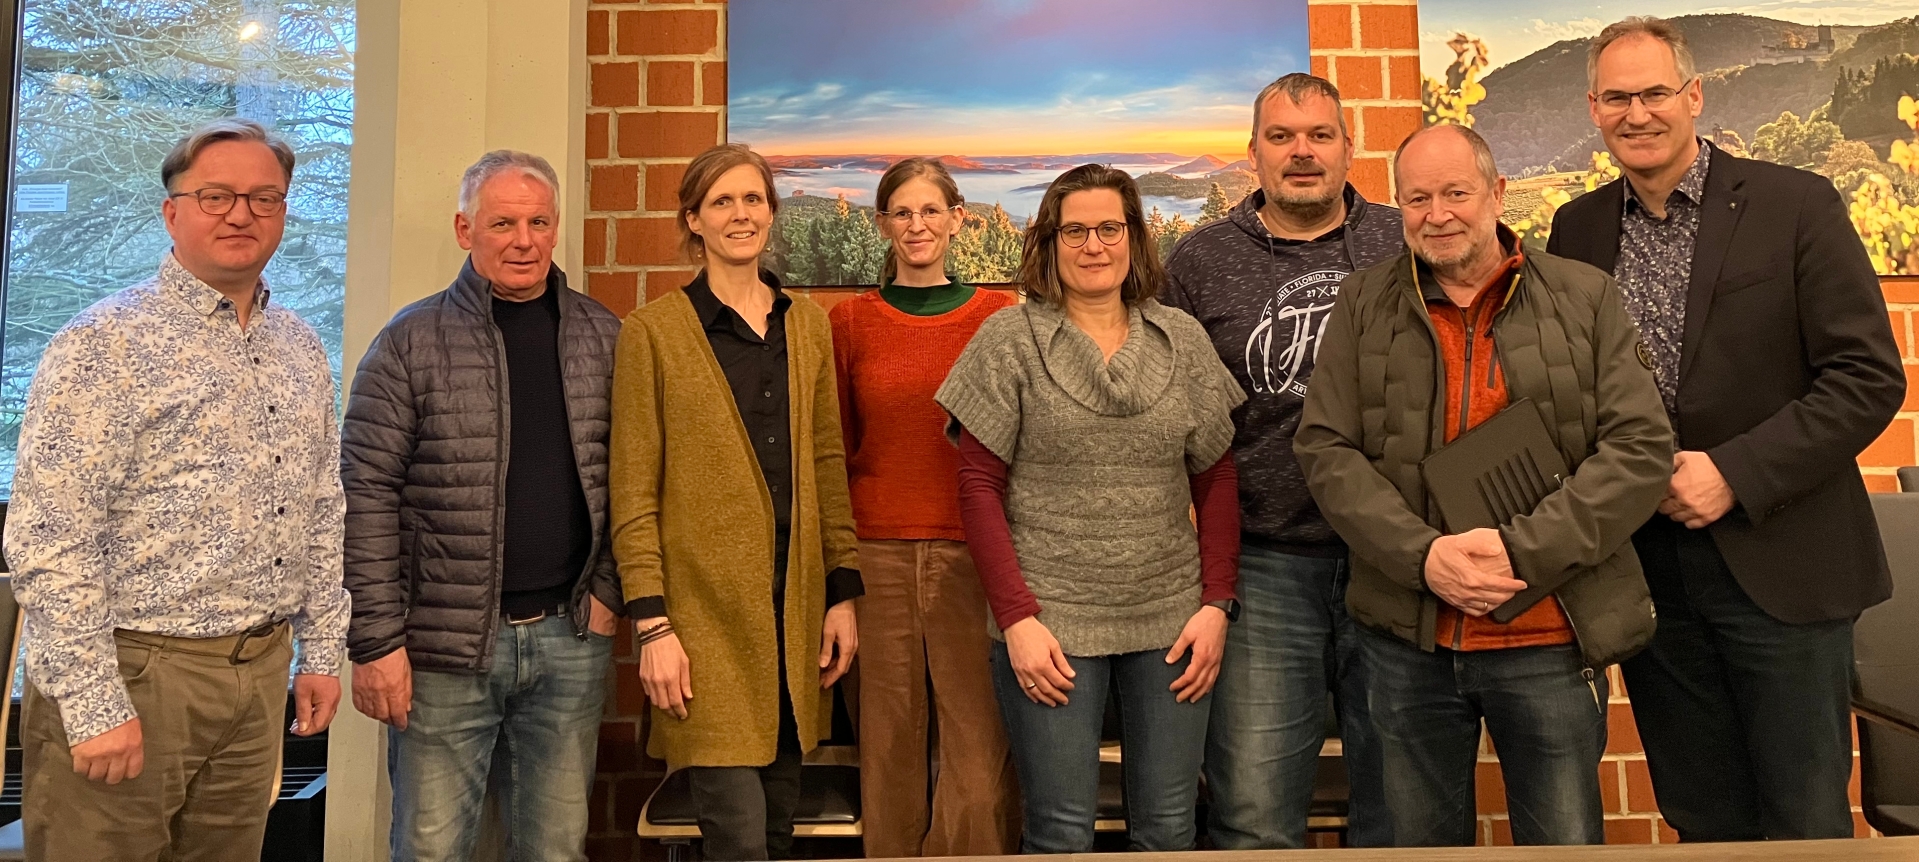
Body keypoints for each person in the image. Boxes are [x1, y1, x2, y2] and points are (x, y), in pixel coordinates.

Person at [1548, 17, 1906, 842]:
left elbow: (1865, 378)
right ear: (1593, 109)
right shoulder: (1576, 230)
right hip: (1649, 574)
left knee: (1802, 816)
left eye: (1653, 93)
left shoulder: (1794, 204)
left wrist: (1733, 473)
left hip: (1781, 560)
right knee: (1698, 813)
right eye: (1615, 98)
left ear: (1693, 96)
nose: (1636, 114)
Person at [1295, 123, 1674, 847]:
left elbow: (1638, 448)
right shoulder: (1361, 303)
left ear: (1496, 194)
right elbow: (1326, 449)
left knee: (1561, 842)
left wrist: (1521, 553)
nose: (1435, 214)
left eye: (1454, 193)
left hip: (1550, 632)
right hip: (1409, 638)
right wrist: (1422, 557)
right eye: (1416, 198)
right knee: (1418, 842)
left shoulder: (1584, 297)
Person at [5, 117, 348, 861]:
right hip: (134, 672)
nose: (241, 214)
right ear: (172, 212)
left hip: (257, 676)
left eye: (264, 198)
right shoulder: (103, 343)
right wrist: (93, 704)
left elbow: (320, 506)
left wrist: (321, 650)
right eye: (216, 195)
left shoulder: (297, 347)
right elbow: (49, 536)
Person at [935, 163, 1246, 854]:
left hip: (1172, 621)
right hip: (1050, 625)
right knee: (1059, 833)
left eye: (1109, 228)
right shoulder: (1006, 343)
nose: (1093, 245)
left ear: (1134, 239)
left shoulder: (1182, 341)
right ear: (1047, 243)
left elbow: (1216, 477)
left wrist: (1214, 603)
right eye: (1073, 230)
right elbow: (976, 488)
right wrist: (1016, 618)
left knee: (1167, 832)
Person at [339, 150, 625, 861]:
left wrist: (611, 589)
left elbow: (637, 478)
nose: (522, 240)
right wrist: (375, 642)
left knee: (556, 849)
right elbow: (364, 492)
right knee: (432, 849)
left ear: (556, 229)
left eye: (537, 222)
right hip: (442, 652)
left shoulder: (605, 336)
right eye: (503, 223)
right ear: (466, 230)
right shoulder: (409, 342)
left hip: (569, 640)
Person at [1161, 72, 1399, 850]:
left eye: (1319, 135)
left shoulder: (1404, 242)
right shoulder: (1196, 263)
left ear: (1347, 148)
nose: (1301, 153)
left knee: (1404, 808)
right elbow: (1174, 423)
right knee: (1255, 812)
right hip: (1261, 569)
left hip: (1397, 562)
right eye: (1281, 137)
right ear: (1253, 153)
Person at [610, 142, 862, 862]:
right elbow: (632, 489)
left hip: (795, 620)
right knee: (739, 839)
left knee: (780, 831)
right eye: (721, 201)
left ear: (772, 214)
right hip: (702, 628)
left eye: (753, 199)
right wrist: (652, 626)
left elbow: (825, 464)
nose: (740, 214)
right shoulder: (652, 334)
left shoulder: (806, 325)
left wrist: (840, 594)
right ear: (693, 220)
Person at [830, 157, 1021, 858]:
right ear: (883, 224)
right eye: (901, 213)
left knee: (979, 757)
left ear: (957, 217)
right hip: (875, 557)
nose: (917, 225)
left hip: (976, 558)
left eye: (930, 211)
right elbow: (835, 450)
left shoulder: (998, 318)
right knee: (887, 752)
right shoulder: (849, 322)